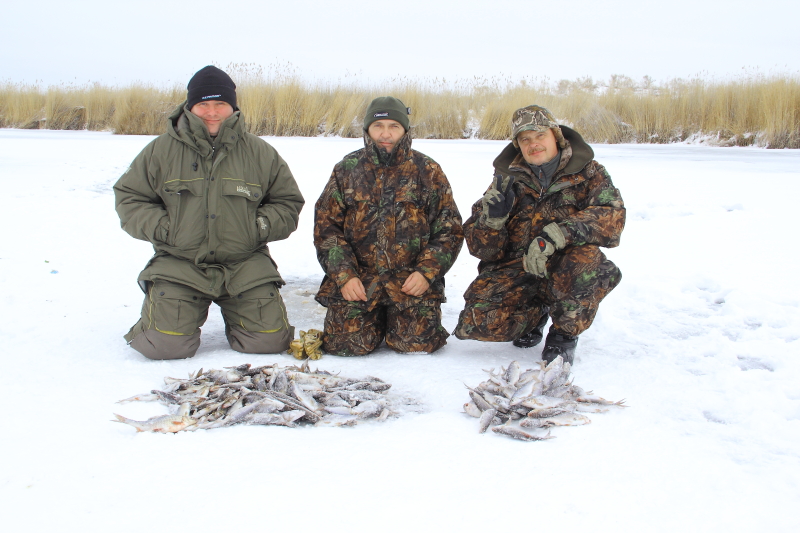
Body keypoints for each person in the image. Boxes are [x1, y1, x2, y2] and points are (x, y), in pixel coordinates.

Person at [114, 65, 304, 360]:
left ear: (233, 107)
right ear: (190, 107)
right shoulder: (160, 151)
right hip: (180, 263)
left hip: (244, 263)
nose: (212, 112)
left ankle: (241, 318)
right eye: (203, 104)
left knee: (268, 343)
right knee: (163, 348)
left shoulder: (260, 152)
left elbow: (287, 202)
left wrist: (258, 228)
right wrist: (166, 229)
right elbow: (130, 197)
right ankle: (162, 314)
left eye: (220, 104)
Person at [453, 105, 624, 364]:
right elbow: (483, 250)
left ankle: (563, 334)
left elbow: (612, 217)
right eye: (525, 140)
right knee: (476, 324)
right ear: (518, 145)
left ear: (555, 135)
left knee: (582, 262)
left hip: (565, 265)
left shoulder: (589, 173)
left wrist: (557, 235)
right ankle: (535, 315)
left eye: (539, 136)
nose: (534, 144)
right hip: (518, 266)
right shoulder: (505, 181)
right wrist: (492, 221)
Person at [313, 96, 464, 355]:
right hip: (361, 281)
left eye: (393, 126)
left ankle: (396, 318)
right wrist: (345, 275)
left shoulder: (427, 169)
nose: (386, 134)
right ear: (367, 130)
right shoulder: (347, 169)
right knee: (346, 346)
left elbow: (449, 228)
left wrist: (426, 273)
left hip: (409, 280)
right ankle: (373, 318)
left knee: (417, 345)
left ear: (405, 130)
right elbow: (327, 228)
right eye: (378, 126)